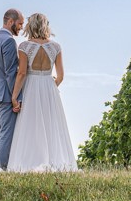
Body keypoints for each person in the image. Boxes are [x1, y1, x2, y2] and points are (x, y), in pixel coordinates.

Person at [6, 13, 78, 172]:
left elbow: (22, 73)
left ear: (30, 26)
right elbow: (60, 75)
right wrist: (52, 87)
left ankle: (31, 161)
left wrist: (14, 96)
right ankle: (54, 161)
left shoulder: (24, 47)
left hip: (32, 86)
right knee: (51, 124)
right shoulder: (56, 47)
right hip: (49, 86)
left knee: (31, 124)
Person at [0, 8, 24, 171]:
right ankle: (2, 167)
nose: (21, 27)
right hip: (6, 94)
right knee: (6, 133)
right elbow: (10, 73)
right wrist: (16, 96)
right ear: (10, 21)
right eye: (20, 23)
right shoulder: (8, 42)